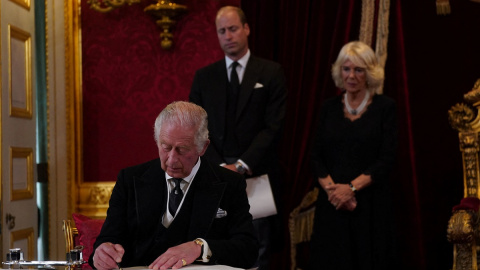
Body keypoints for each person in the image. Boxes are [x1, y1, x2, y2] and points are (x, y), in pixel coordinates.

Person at [89, 101, 258, 270]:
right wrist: (102, 253)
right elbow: (107, 240)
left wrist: (200, 248)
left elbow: (248, 250)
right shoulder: (130, 179)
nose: (171, 159)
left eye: (182, 149)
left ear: (203, 147)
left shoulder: (230, 183)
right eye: (165, 147)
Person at [189, 6, 287, 270]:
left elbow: (273, 127)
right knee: (215, 249)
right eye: (222, 31)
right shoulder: (204, 77)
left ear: (246, 29)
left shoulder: (271, 72)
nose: (228, 36)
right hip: (214, 176)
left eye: (233, 29)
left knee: (258, 249)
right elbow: (195, 129)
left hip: (256, 177)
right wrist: (221, 168)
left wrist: (241, 166)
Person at [309, 41, 398, 269]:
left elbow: (387, 159)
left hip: (369, 207)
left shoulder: (385, 108)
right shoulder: (328, 108)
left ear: (369, 73)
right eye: (346, 68)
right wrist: (335, 192)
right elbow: (316, 156)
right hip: (332, 205)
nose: (351, 75)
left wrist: (351, 189)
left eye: (359, 70)